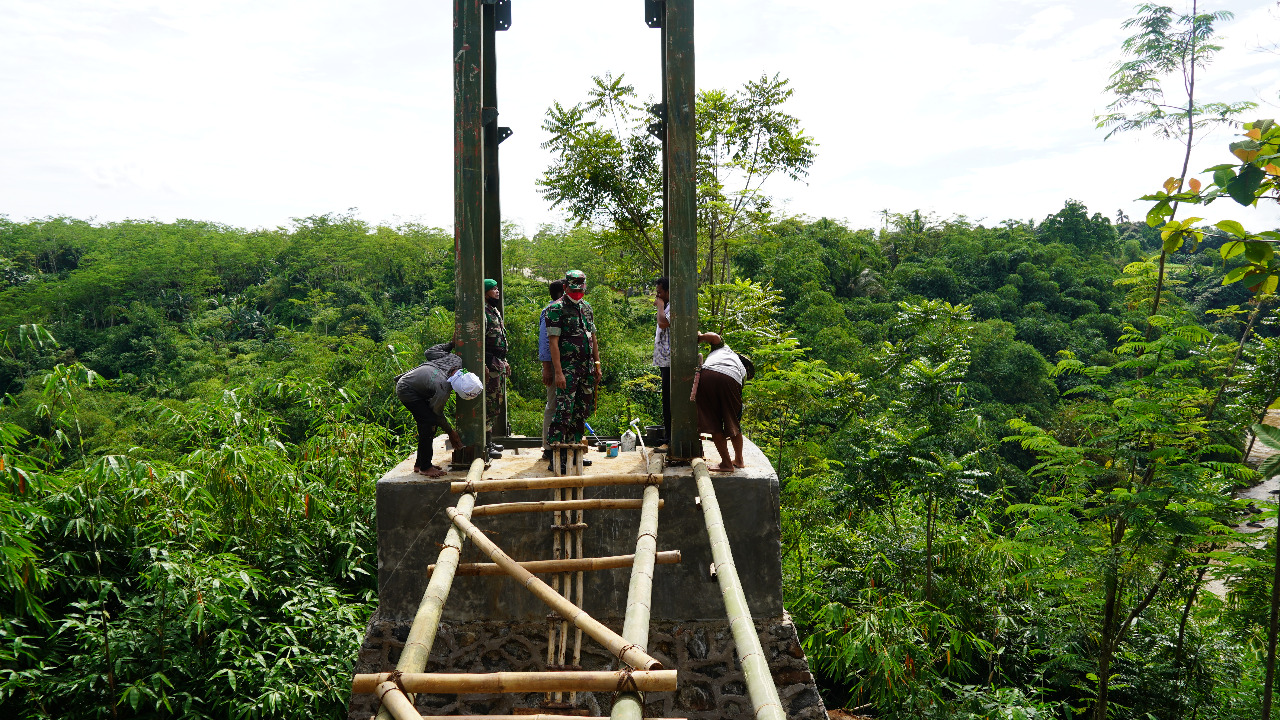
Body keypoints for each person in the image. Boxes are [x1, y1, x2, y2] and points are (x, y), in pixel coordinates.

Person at [395, 342, 482, 477]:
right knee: (429, 423)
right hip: (407, 390)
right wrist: (450, 431)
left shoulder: (455, 360)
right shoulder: (442, 387)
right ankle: (425, 467)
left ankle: (420, 463)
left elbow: (429, 352)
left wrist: (451, 344)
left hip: (420, 386)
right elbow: (436, 414)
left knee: (426, 424)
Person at [546, 270, 602, 468]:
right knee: (563, 412)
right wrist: (558, 372)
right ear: (565, 287)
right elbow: (553, 343)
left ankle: (574, 452)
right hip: (567, 370)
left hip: (586, 369)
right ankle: (556, 457)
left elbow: (592, 337)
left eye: (581, 288)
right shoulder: (556, 309)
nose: (578, 292)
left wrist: (597, 364)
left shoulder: (587, 308)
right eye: (573, 288)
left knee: (581, 411)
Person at [694, 332, 747, 472]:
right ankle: (739, 460)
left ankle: (726, 464)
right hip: (732, 380)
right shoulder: (741, 371)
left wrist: (700, 337)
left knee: (714, 422)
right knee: (733, 422)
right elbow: (737, 408)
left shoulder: (724, 349)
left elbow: (715, 337)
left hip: (708, 375)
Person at [538, 279, 566, 459]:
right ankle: (548, 447)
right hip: (556, 368)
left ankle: (564, 445)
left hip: (567, 367)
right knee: (553, 405)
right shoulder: (549, 311)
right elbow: (545, 341)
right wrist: (547, 368)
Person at [483, 278, 509, 452]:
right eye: (493, 289)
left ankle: (490, 441)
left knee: (495, 403)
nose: (497, 291)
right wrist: (484, 363)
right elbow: (480, 342)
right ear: (485, 293)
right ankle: (485, 443)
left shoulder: (494, 311)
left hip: (498, 363)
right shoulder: (482, 313)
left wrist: (504, 361)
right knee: (489, 403)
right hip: (489, 364)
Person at [652, 276, 671, 447]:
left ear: (667, 291)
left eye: (660, 292)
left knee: (670, 399)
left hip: (671, 362)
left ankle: (671, 436)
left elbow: (663, 322)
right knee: (666, 399)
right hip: (665, 361)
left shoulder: (673, 307)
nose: (658, 295)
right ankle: (668, 435)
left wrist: (660, 307)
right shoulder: (667, 306)